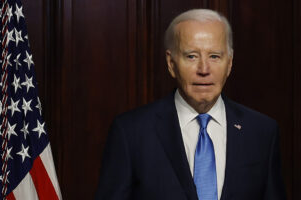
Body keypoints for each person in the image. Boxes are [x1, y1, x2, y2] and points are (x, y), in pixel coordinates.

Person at [95, 9, 286, 200]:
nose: (204, 69)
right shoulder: (131, 132)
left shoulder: (261, 132)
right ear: (171, 63)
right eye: (192, 56)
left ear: (229, 63)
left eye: (214, 56)